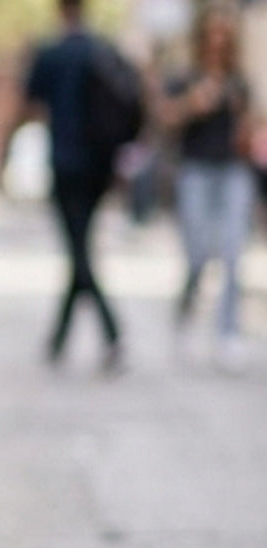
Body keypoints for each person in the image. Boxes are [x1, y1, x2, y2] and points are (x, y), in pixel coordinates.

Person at [21, 0, 124, 373]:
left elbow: (30, 103)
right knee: (79, 247)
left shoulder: (51, 54)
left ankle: (112, 333)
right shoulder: (104, 51)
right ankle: (60, 339)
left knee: (79, 251)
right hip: (100, 168)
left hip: (66, 163)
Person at [156, 5, 255, 372]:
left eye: (224, 34)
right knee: (198, 254)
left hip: (233, 171)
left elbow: (249, 128)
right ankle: (185, 311)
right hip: (196, 170)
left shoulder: (238, 81)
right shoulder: (185, 77)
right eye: (212, 33)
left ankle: (227, 333)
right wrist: (193, 104)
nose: (218, 41)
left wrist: (246, 129)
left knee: (231, 253)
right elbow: (163, 118)